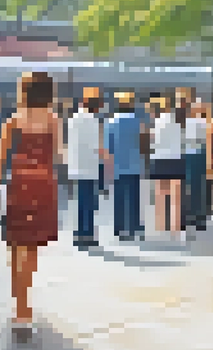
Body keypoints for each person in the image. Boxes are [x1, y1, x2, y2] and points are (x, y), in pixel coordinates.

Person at [0, 72, 61, 331]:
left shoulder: (13, 121)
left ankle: (19, 307)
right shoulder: (53, 120)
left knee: (15, 245)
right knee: (31, 248)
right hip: (43, 185)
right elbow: (58, 155)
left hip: (19, 185)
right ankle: (25, 311)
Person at [66, 88, 109, 249]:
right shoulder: (91, 120)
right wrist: (106, 158)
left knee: (80, 200)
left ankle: (79, 233)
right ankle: (87, 234)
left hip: (76, 165)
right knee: (89, 202)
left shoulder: (73, 118)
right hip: (89, 165)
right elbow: (95, 145)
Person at [106, 91, 146, 241]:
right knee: (134, 196)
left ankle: (119, 228)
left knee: (119, 198)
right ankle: (134, 225)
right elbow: (142, 143)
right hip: (134, 164)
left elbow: (108, 147)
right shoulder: (137, 121)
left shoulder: (111, 122)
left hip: (118, 165)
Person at [148, 97, 185, 238]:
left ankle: (160, 225)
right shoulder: (178, 123)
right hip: (175, 159)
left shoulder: (156, 124)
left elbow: (153, 142)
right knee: (176, 196)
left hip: (159, 159)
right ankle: (175, 228)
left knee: (160, 194)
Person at [183, 100, 211, 230]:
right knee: (200, 187)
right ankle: (200, 217)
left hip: (190, 154)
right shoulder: (206, 123)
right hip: (201, 154)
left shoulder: (187, 123)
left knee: (190, 186)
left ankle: (191, 215)